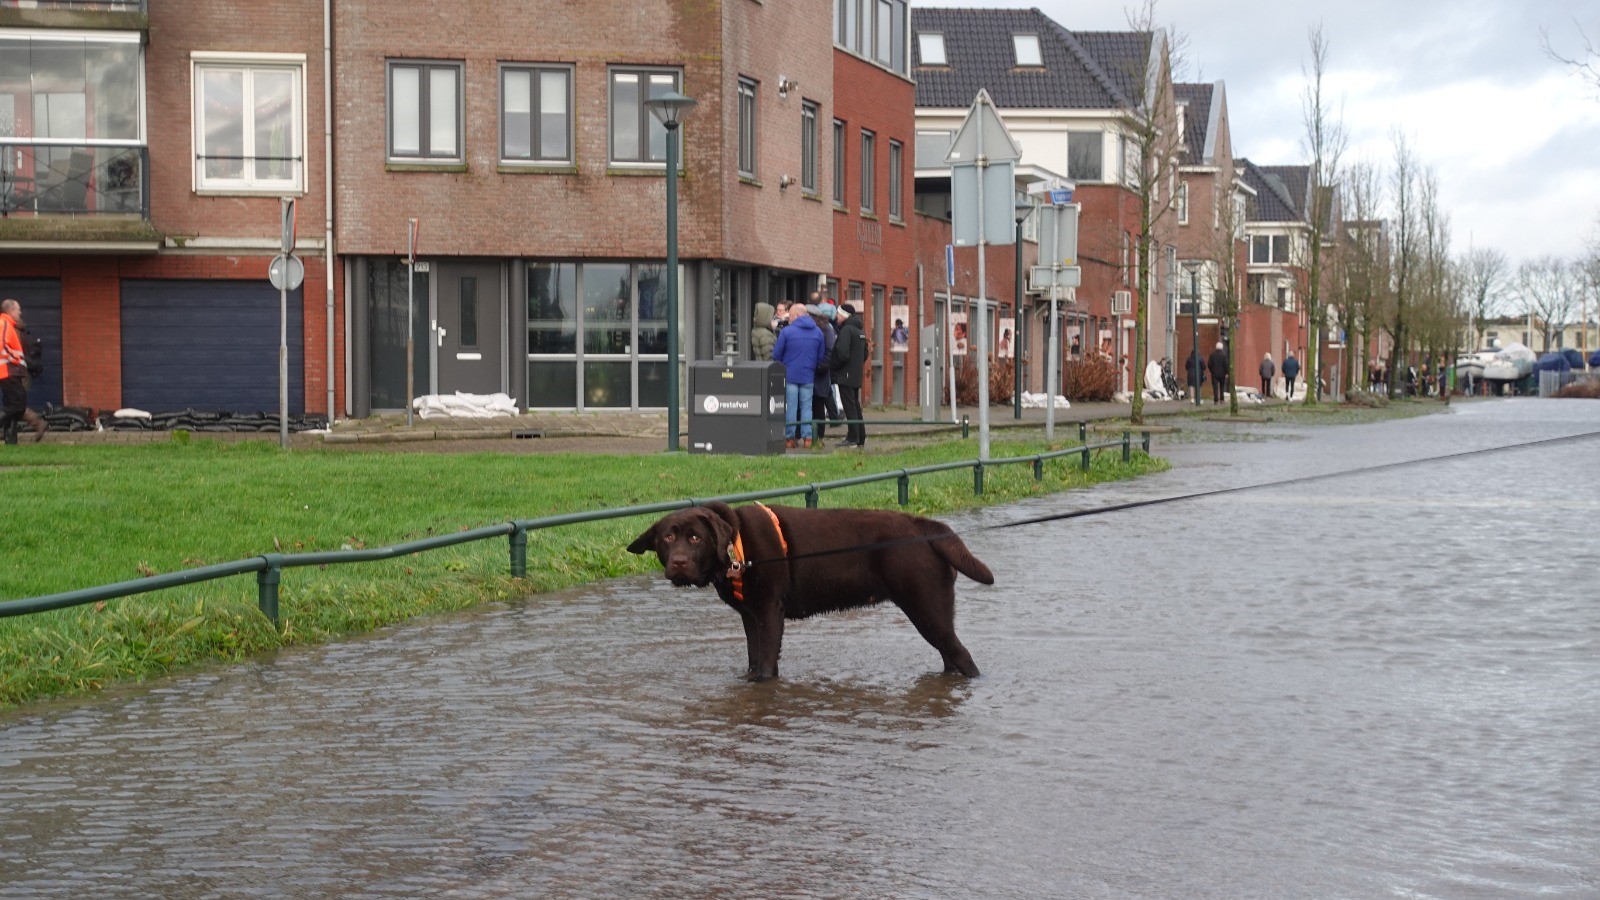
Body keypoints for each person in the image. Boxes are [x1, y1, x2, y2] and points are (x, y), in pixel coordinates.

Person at [772, 302, 824, 449]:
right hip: (808, 376)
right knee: (807, 407)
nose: (788, 319)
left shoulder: (787, 332)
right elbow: (821, 357)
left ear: (796, 315)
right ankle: (808, 438)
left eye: (790, 316)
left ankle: (789, 438)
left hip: (790, 376)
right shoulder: (818, 332)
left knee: (791, 407)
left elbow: (776, 355)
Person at [831, 303, 867, 448]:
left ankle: (852, 437)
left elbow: (842, 353)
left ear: (845, 315)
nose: (836, 317)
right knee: (855, 406)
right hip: (855, 374)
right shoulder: (860, 331)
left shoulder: (846, 330)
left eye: (838, 314)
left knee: (849, 406)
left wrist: (834, 366)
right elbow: (865, 353)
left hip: (845, 374)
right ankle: (860, 436)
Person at [0, 298, 35, 445]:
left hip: (11, 372)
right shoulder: (4, 324)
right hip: (9, 372)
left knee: (12, 407)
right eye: (18, 309)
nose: (20, 312)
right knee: (18, 406)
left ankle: (11, 442)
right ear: (10, 310)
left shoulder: (8, 324)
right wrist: (16, 360)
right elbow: (3, 347)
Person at [808, 296, 842, 440]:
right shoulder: (822, 329)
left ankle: (818, 436)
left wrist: (821, 367)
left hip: (820, 373)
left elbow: (829, 351)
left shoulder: (826, 330)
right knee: (819, 402)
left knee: (819, 404)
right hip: (816, 373)